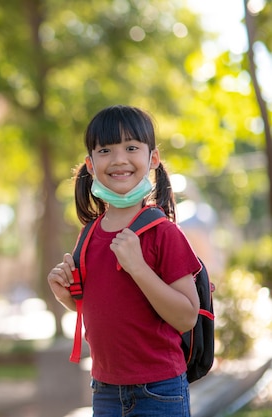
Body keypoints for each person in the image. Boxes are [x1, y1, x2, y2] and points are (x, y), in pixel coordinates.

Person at [47, 105, 201, 417]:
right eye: (106, 150)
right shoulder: (88, 236)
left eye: (131, 147)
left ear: (152, 159)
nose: (119, 159)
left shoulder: (163, 233)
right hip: (104, 390)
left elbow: (186, 317)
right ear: (91, 164)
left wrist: (138, 267)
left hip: (159, 391)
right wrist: (67, 297)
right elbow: (107, 309)